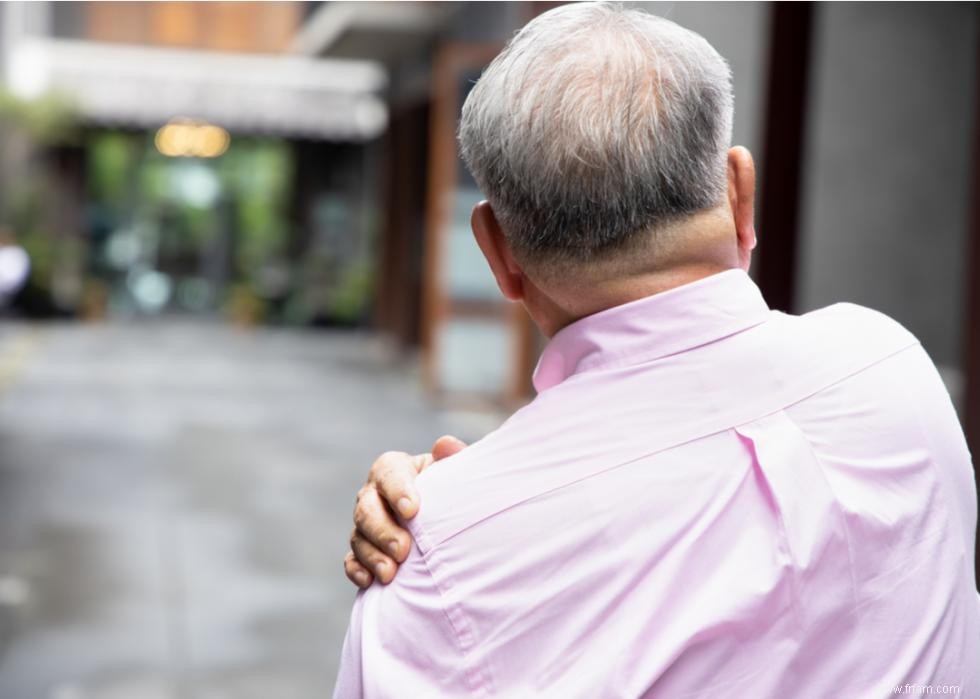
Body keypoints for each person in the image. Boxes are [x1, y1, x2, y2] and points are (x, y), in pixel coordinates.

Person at [335, 4, 980, 697]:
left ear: (498, 254)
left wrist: (458, 509)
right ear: (740, 194)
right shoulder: (893, 369)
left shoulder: (434, 566)